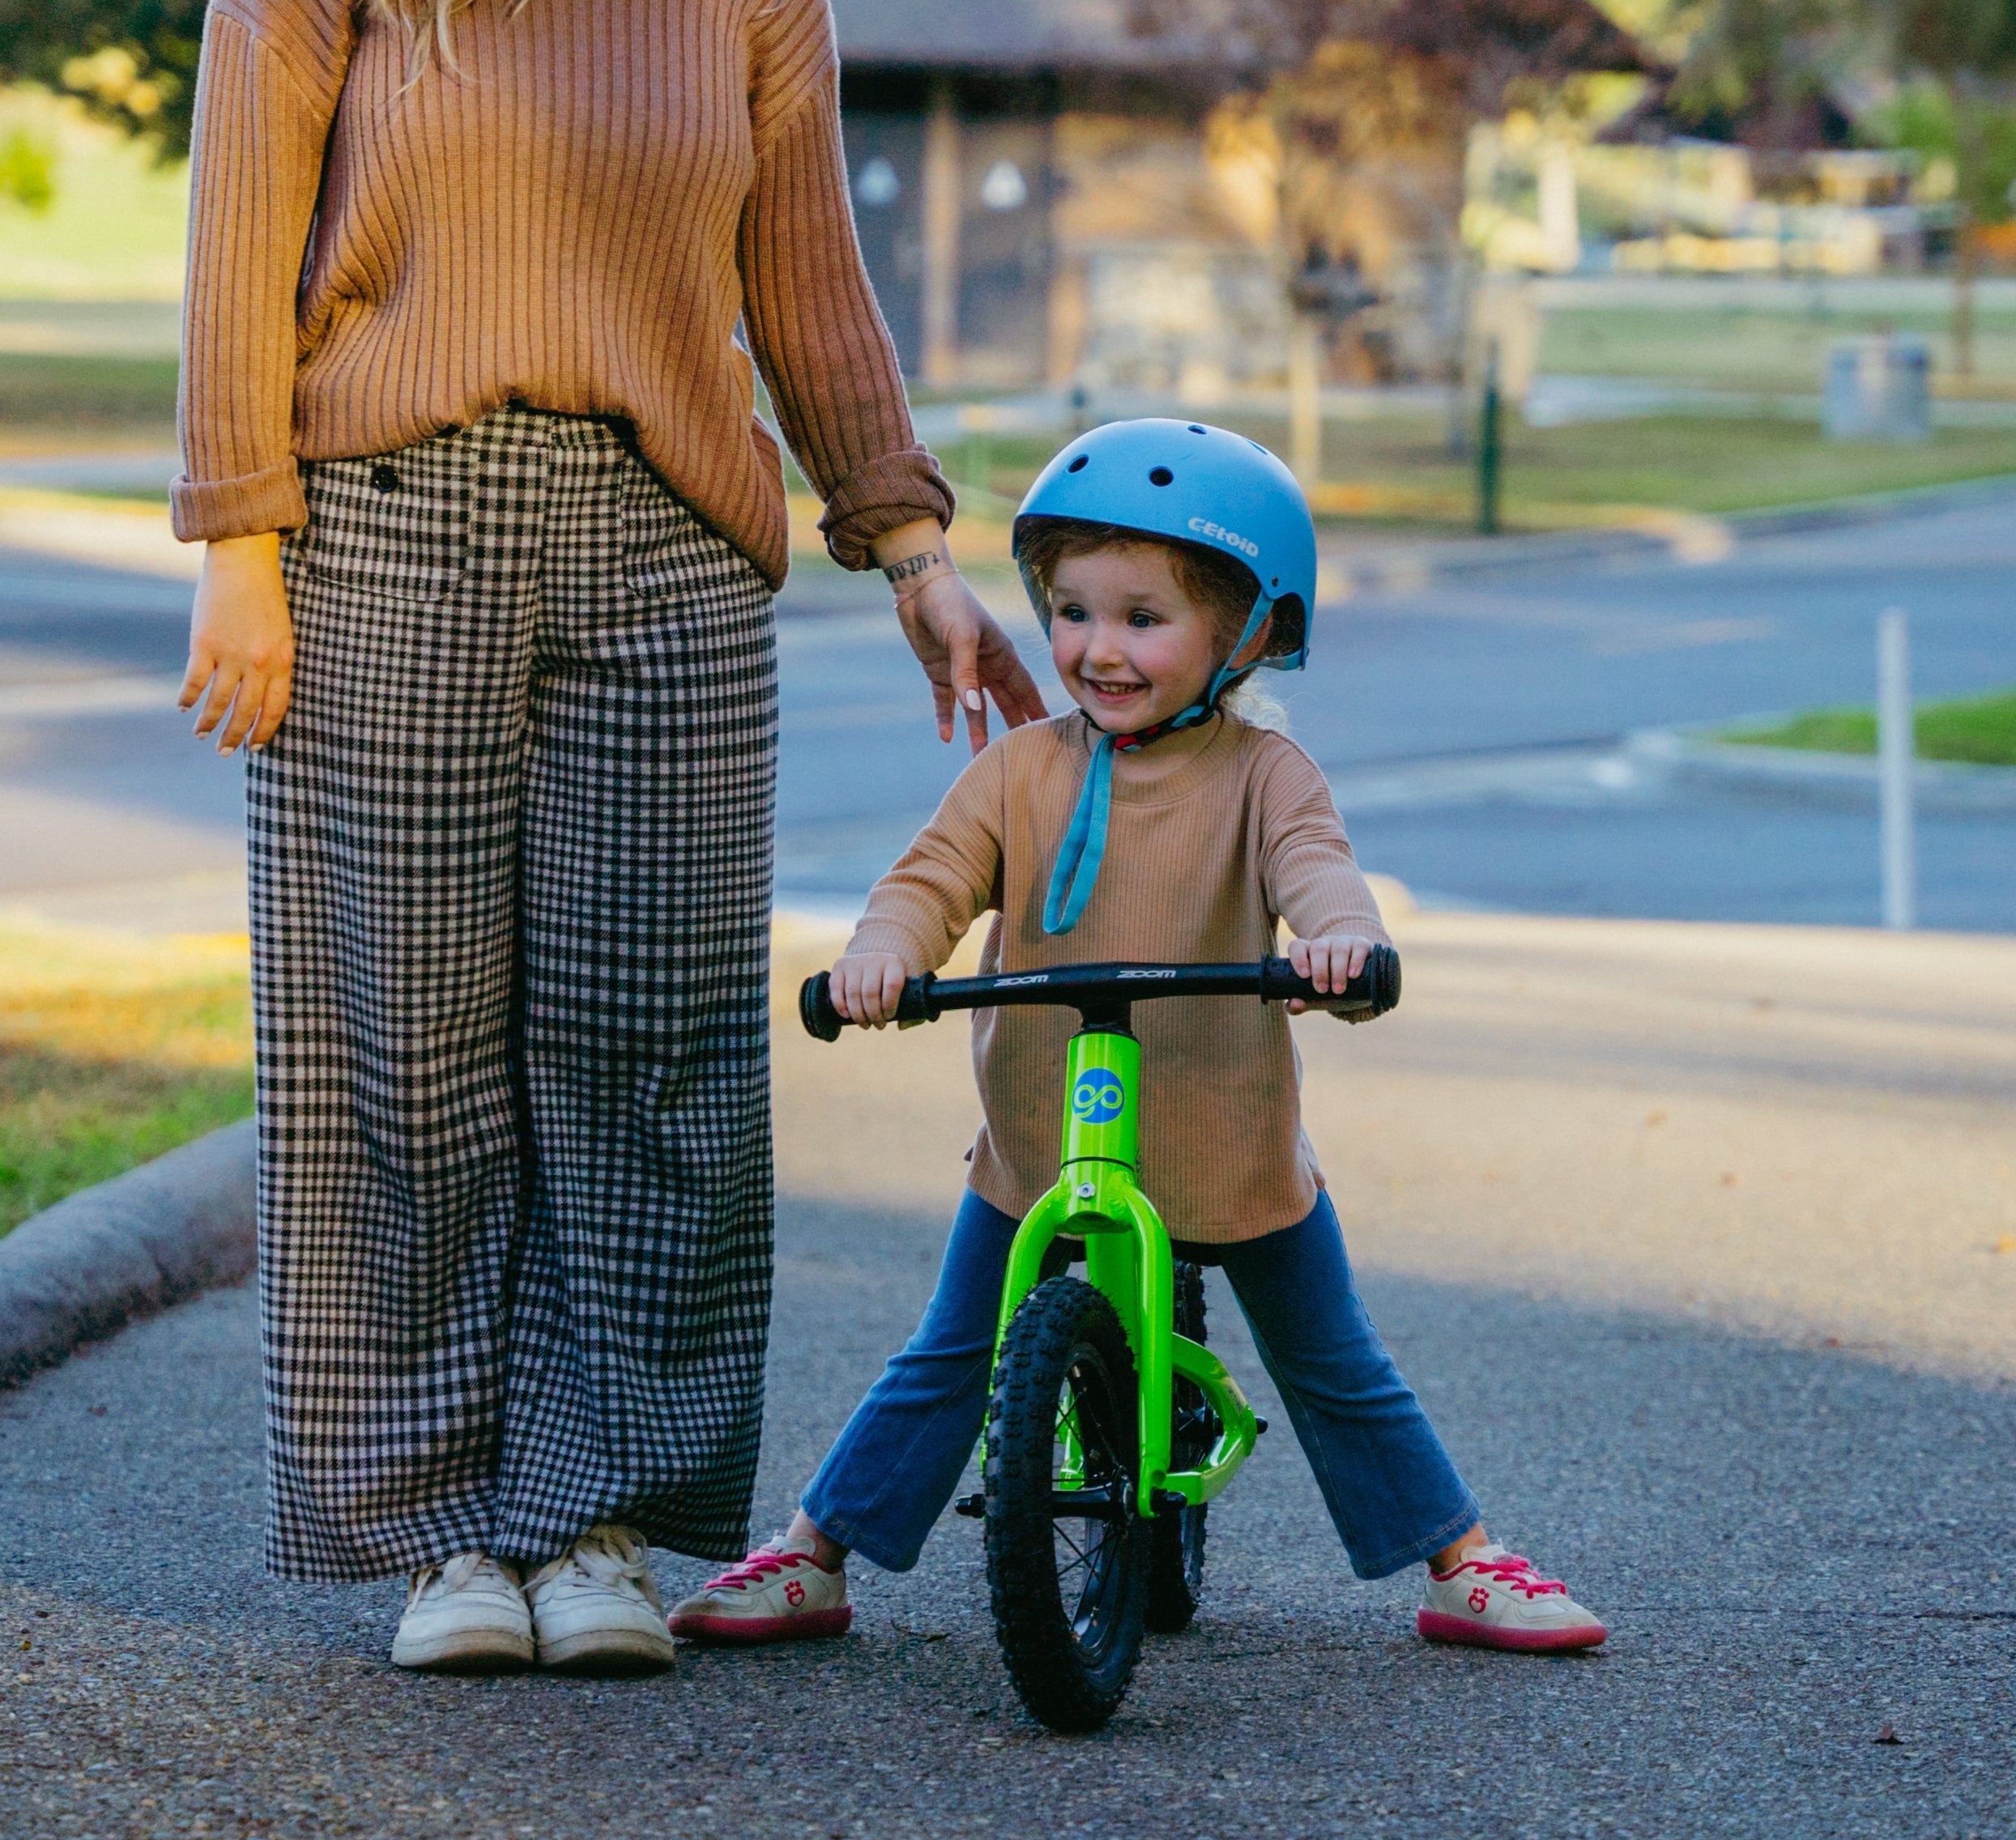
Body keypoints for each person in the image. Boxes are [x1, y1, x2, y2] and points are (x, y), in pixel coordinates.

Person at [170, 0, 1044, 1682]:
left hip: (665, 551)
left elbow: (807, 276)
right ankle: (443, 1532)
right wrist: (239, 542)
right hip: (387, 526)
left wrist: (912, 546)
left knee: (650, 1043)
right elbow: (239, 231)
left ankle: (602, 1524)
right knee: (399, 1043)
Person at [666, 421, 1608, 1658]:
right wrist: (881, 957)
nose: (1098, 648)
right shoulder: (1019, 773)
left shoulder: (1267, 776)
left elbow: (1318, 871)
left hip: (1228, 1144)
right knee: (952, 1351)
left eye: (1143, 618)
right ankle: (815, 1551)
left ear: (1246, 634)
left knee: (1334, 1362)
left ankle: (1462, 1561)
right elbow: (929, 879)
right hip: (1040, 1145)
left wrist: (1341, 944)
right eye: (1072, 611)